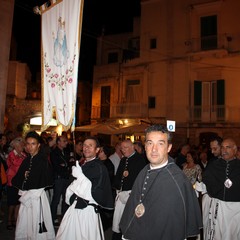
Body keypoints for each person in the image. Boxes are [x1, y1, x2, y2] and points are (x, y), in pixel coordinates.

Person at [120, 124, 202, 240]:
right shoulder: (145, 170)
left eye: (160, 143)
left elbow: (175, 227)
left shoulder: (178, 179)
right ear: (145, 146)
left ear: (168, 148)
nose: (154, 149)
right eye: (149, 143)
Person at [56, 136, 114, 240]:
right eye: (85, 145)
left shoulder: (100, 168)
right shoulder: (83, 165)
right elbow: (72, 186)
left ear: (97, 150)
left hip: (87, 212)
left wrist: (80, 176)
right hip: (74, 209)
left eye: (90, 146)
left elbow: (91, 191)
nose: (86, 148)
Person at [12, 131, 55, 240]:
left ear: (38, 145)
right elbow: (17, 179)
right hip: (26, 197)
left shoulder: (43, 160)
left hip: (37, 198)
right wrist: (24, 175)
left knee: (36, 223)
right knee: (25, 222)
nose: (30, 147)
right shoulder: (26, 160)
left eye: (33, 144)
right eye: (28, 144)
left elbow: (47, 179)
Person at [197, 138, 240, 240]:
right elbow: (205, 180)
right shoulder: (213, 165)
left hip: (237, 209)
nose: (224, 150)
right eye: (222, 147)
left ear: (235, 150)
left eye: (228, 147)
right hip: (219, 206)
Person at [112, 139, 146, 240]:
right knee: (118, 220)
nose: (123, 150)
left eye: (125, 148)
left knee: (128, 221)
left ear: (132, 147)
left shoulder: (140, 160)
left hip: (131, 196)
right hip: (121, 194)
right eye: (121, 148)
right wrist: (117, 188)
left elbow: (140, 180)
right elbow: (119, 176)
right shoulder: (123, 160)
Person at [50, 135, 72, 226]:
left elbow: (70, 162)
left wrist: (65, 164)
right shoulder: (54, 152)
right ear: (58, 142)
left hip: (66, 178)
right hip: (59, 178)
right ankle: (53, 218)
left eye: (66, 141)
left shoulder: (65, 151)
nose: (66, 142)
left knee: (65, 198)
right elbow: (57, 166)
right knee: (56, 199)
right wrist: (66, 165)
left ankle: (64, 216)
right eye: (64, 141)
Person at [6, 137, 26, 230]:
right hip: (12, 181)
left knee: (18, 202)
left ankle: (16, 220)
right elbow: (15, 163)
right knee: (12, 203)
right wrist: (22, 159)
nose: (23, 147)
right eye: (21, 145)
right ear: (16, 146)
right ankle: (9, 221)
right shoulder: (11, 154)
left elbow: (26, 162)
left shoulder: (22, 154)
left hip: (20, 182)